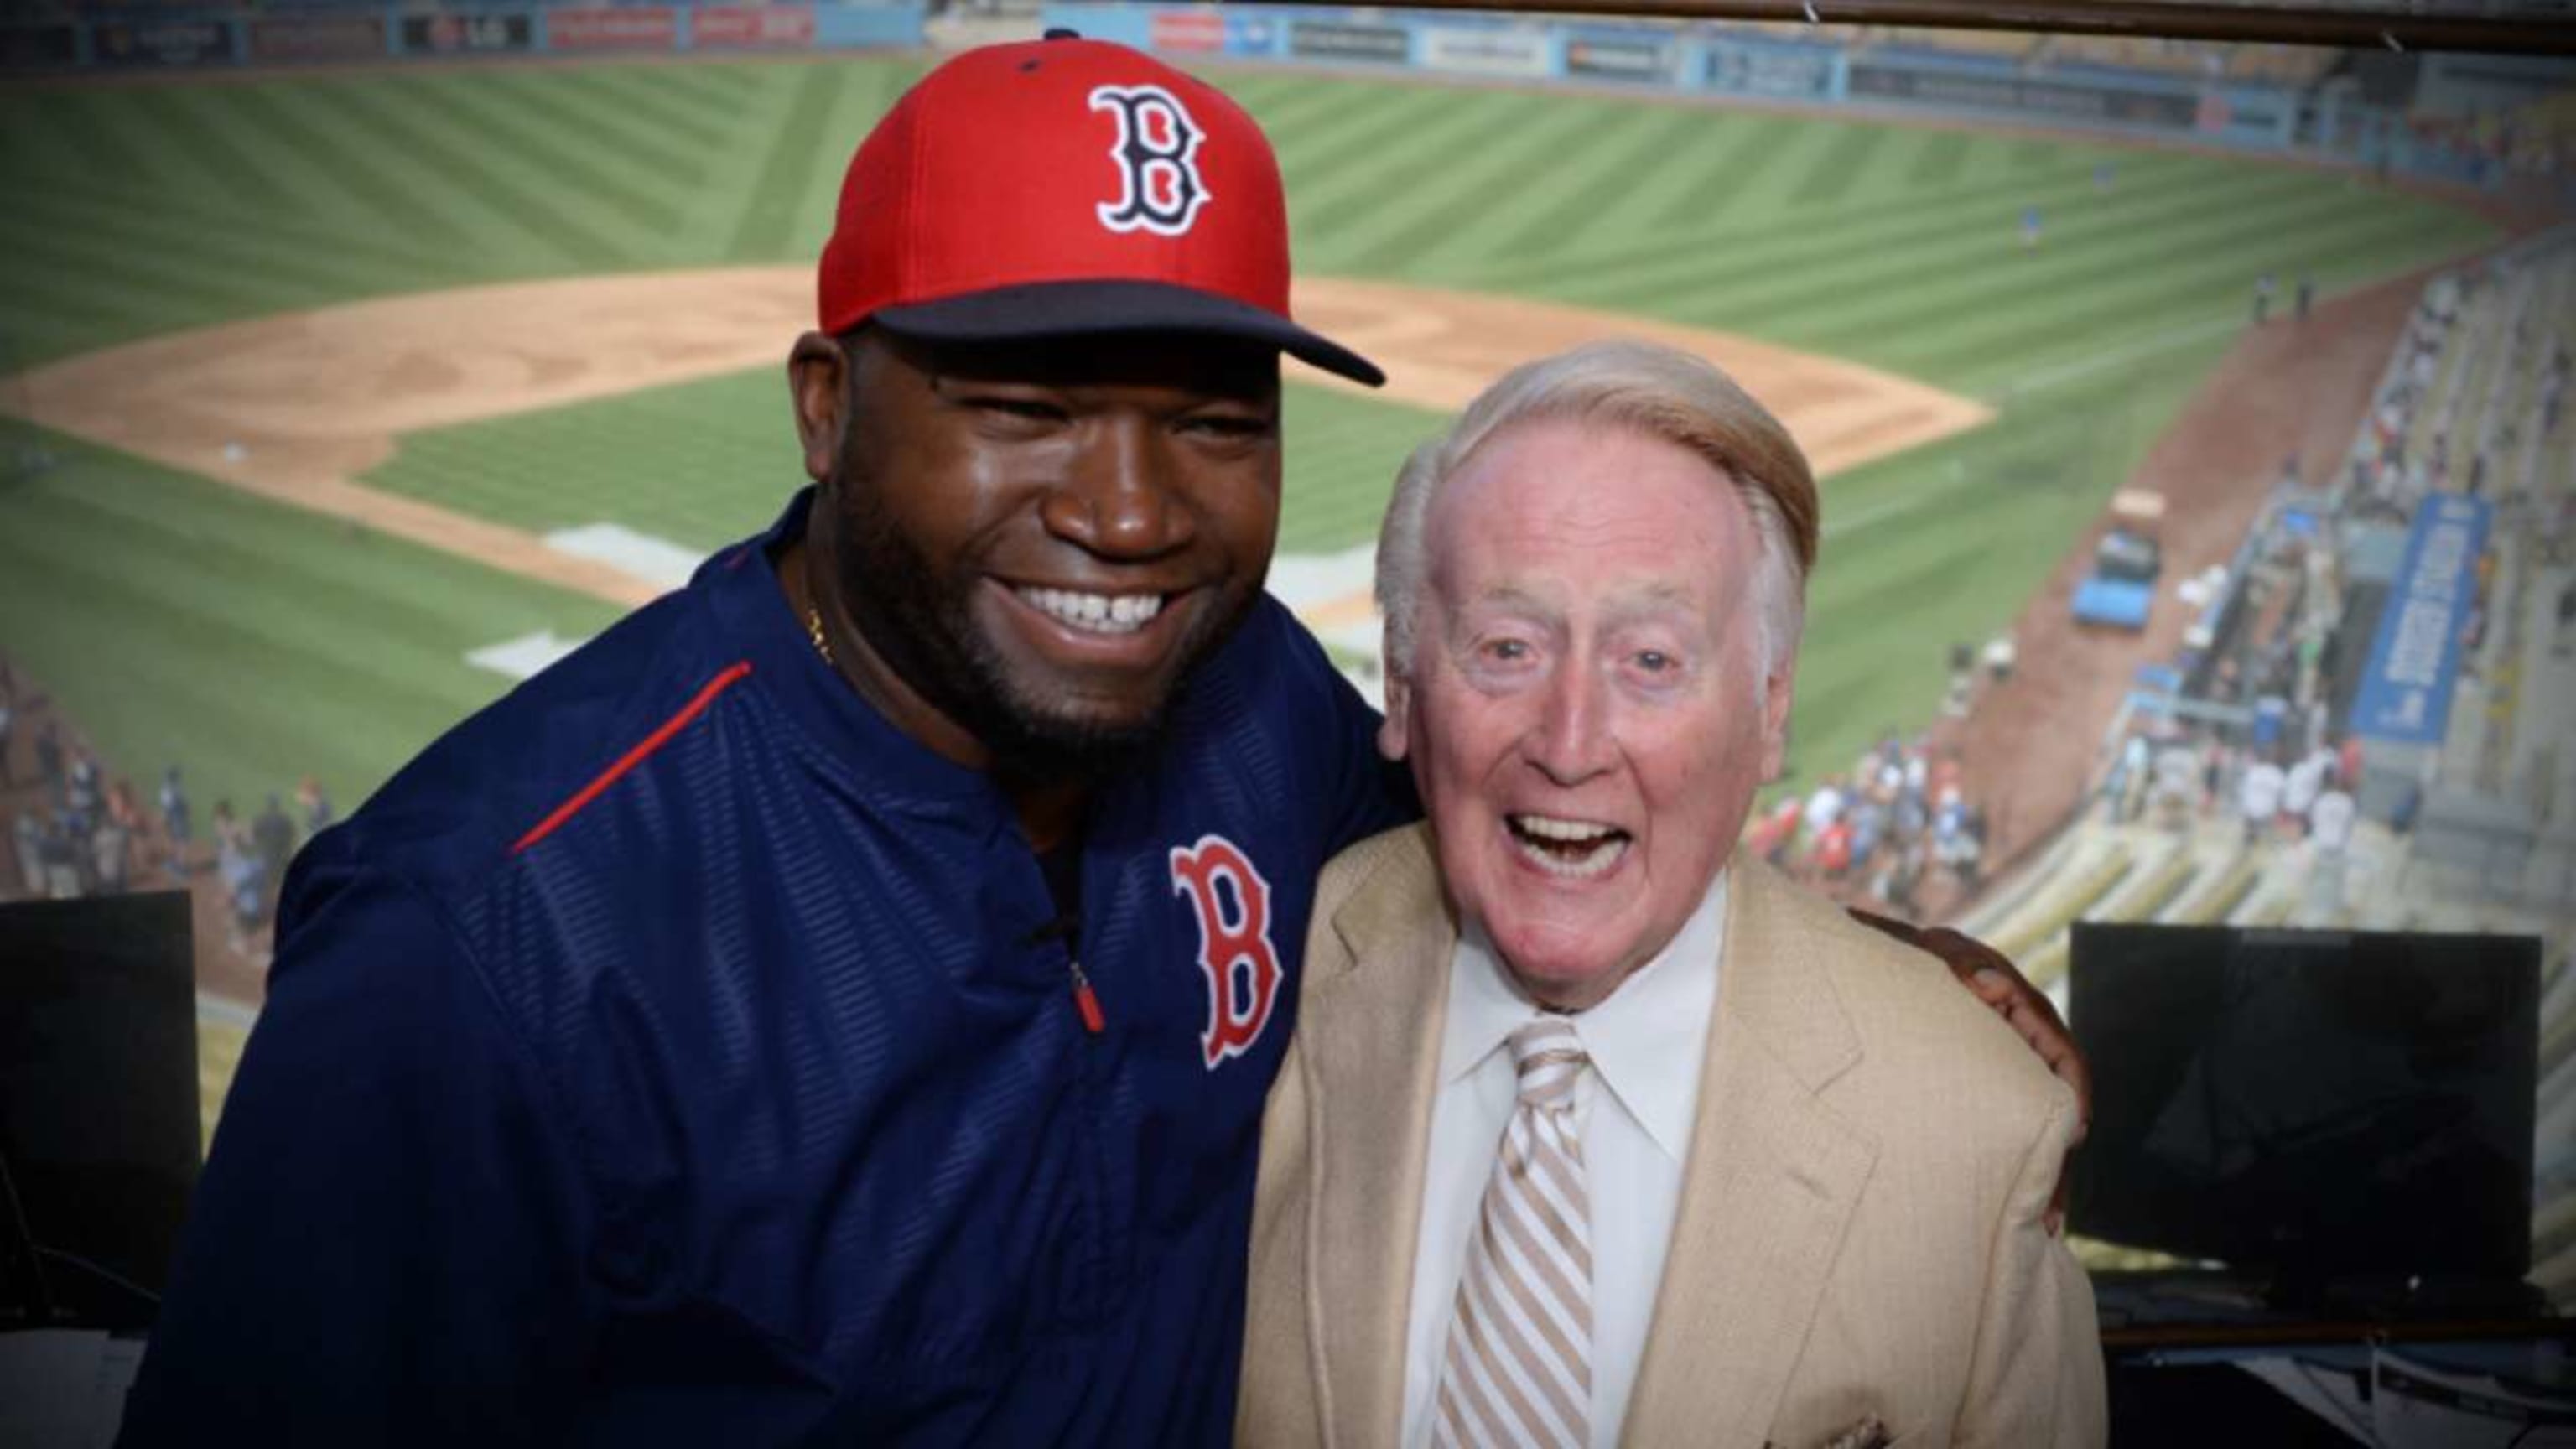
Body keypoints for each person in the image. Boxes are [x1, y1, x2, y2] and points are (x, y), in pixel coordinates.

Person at [122, 38, 2075, 1447]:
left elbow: (1535, 807)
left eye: (1214, 418)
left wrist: (1870, 960)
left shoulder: (1242, 710)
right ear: (827, 406)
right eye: (1027, 403)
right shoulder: (492, 943)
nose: (1133, 512)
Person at [1238, 342, 2102, 1448]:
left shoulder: (1979, 1132)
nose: (1570, 741)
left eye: (1651, 661)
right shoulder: (1252, 1000)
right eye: (1507, 647)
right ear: (1402, 685)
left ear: (1771, 709)